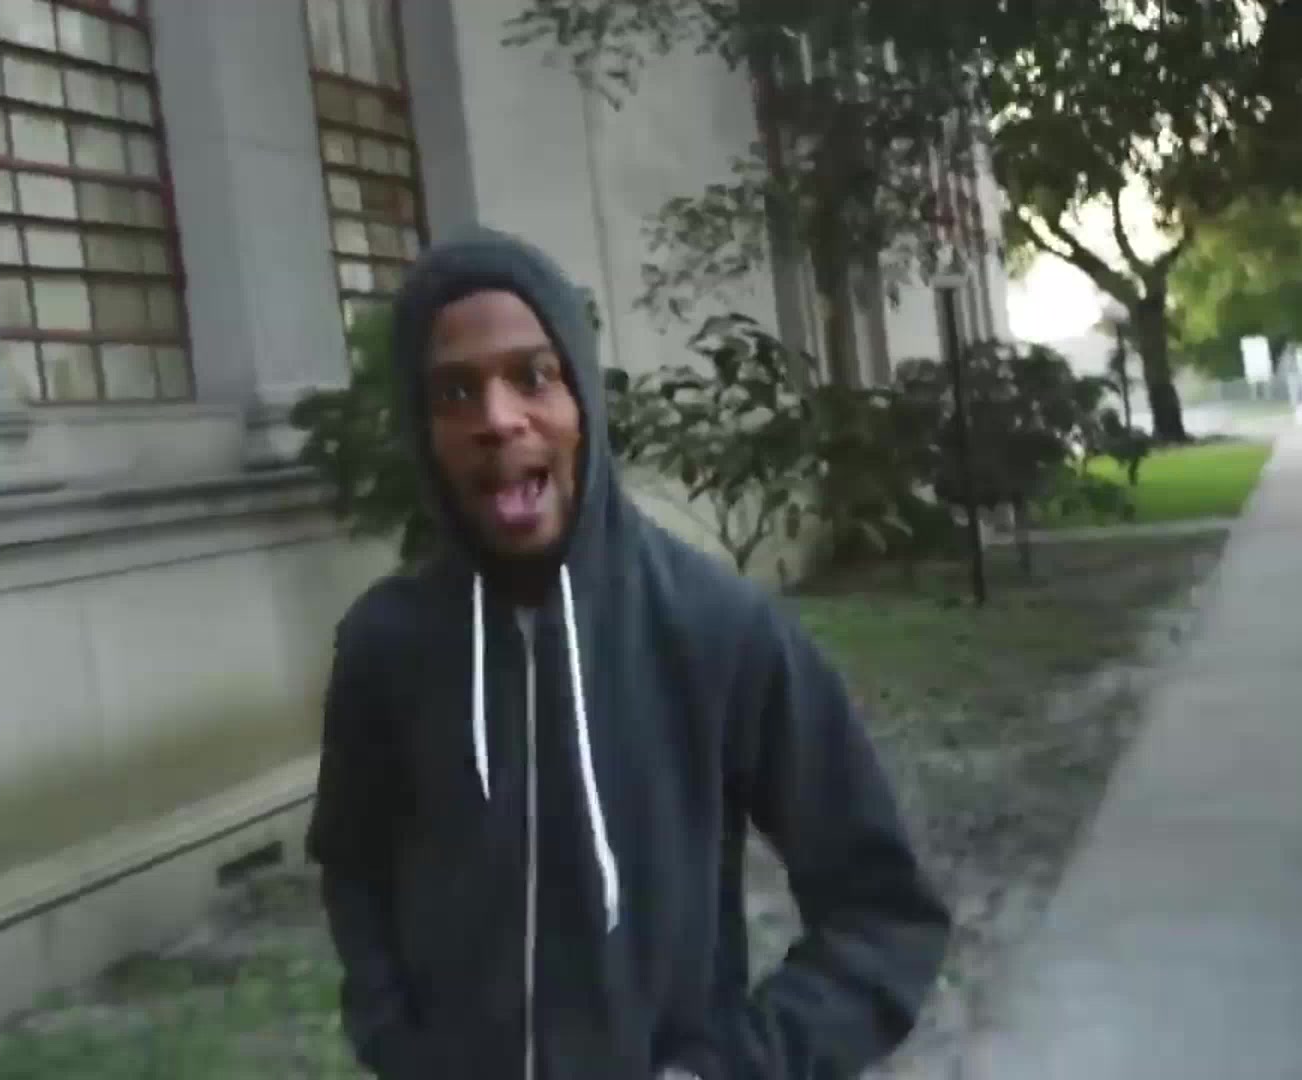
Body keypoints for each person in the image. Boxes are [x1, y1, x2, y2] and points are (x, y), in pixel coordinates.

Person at [306, 227, 949, 1080]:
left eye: (533, 376)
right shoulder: (385, 646)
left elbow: (884, 913)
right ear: (425, 433)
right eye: (455, 391)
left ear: (583, 403)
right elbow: (354, 867)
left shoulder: (716, 628)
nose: (497, 418)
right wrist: (396, 1040)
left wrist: (730, 1070)